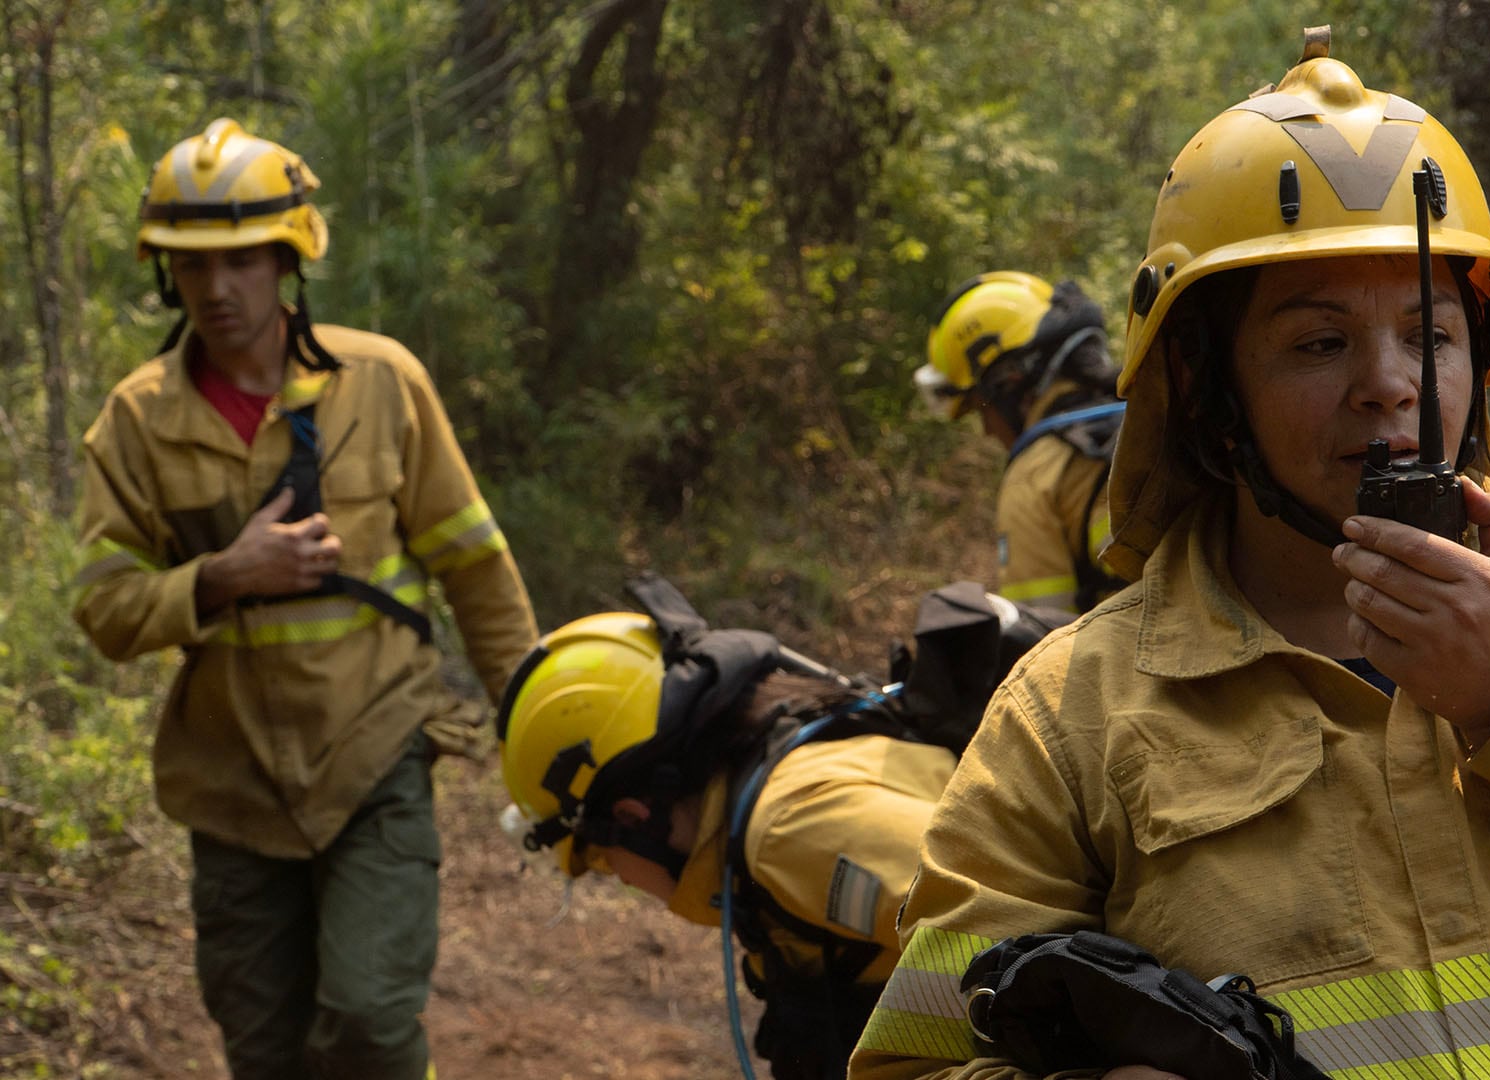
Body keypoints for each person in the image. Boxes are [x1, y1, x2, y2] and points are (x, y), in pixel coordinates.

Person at [852, 28, 1490, 1080]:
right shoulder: (1070, 712)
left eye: (1429, 334)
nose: (1388, 384)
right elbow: (919, 1061)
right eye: (1317, 341)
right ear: (1211, 395)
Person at [71, 118, 539, 1080]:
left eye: (242, 260)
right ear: (166, 275)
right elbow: (106, 609)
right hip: (230, 782)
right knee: (266, 1049)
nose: (217, 288)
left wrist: (536, 731)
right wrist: (221, 577)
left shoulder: (380, 383)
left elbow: (473, 563)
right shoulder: (135, 423)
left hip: (375, 755)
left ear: (288, 260)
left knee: (368, 1019)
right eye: (192, 266)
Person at [496, 575, 975, 1080]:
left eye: (603, 863)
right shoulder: (759, 830)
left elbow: (1024, 943)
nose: (624, 879)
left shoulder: (788, 831)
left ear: (633, 818)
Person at [916, 271, 1126, 613]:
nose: (986, 430)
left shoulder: (1036, 475)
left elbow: (1036, 643)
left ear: (1008, 384)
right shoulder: (1150, 420)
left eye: (979, 408)